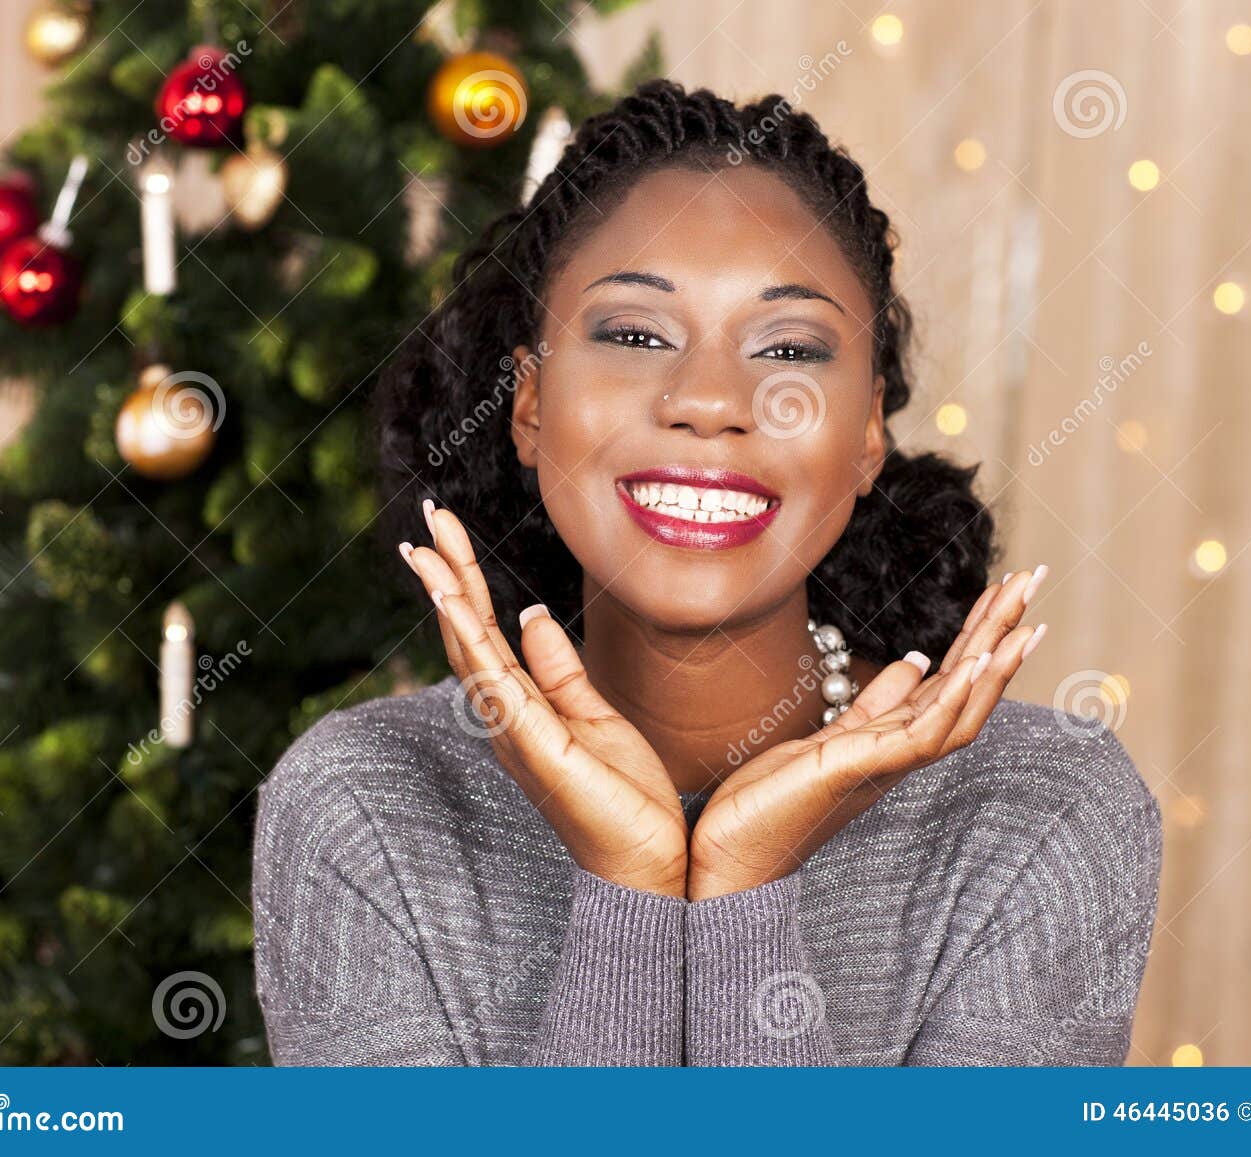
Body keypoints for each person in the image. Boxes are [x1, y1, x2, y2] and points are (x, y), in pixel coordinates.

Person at [252, 80, 1162, 1066]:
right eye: (636, 334)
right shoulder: (368, 801)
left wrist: (743, 883)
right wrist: (632, 888)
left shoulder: (1039, 808)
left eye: (788, 347)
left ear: (866, 436)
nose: (708, 400)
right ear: (527, 404)